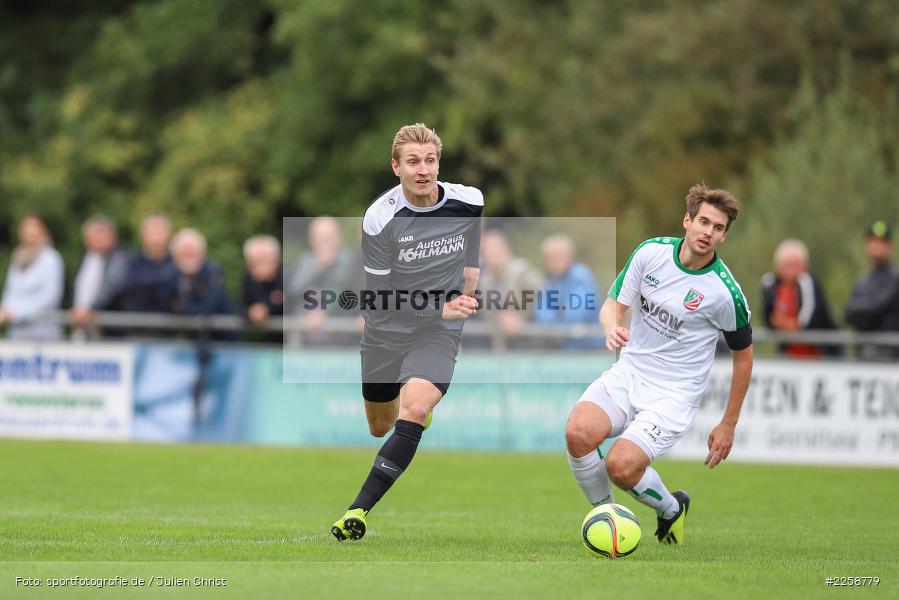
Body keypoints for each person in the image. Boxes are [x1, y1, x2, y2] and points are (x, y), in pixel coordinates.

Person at [565, 184, 753, 546]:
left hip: (673, 395)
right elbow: (613, 305)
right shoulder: (651, 253)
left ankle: (671, 508)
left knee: (621, 466)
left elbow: (743, 357)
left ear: (724, 236)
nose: (708, 232)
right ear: (687, 220)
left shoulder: (725, 293)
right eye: (703, 221)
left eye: (718, 227)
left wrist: (728, 423)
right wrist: (611, 328)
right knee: (577, 433)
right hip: (629, 373)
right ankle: (609, 518)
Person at [330, 123, 482, 541]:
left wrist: (467, 282)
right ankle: (413, 412)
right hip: (386, 330)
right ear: (396, 167)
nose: (423, 169)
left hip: (437, 332)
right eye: (413, 162)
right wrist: (438, 306)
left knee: (414, 409)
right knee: (380, 427)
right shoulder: (380, 218)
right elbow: (379, 298)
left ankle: (357, 511)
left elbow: (473, 237)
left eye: (430, 160)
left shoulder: (468, 200)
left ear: (439, 164)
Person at [760, 239, 840, 357]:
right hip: (791, 355)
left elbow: (805, 323)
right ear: (778, 266)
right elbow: (770, 321)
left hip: (823, 353)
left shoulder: (808, 283)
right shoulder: (771, 286)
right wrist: (789, 325)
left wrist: (784, 323)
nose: (791, 270)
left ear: (805, 266)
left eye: (795, 264)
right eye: (787, 265)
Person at [288, 216, 355, 345]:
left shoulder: (349, 261)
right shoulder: (305, 261)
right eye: (320, 238)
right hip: (303, 336)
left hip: (340, 336)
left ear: (339, 238)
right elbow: (293, 291)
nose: (325, 243)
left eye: (329, 237)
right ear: (311, 240)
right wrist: (318, 267)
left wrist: (322, 312)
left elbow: (343, 293)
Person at [0, 215, 64, 339]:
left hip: (42, 330)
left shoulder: (51, 259)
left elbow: (49, 297)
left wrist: (16, 313)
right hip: (17, 331)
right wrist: (5, 309)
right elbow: (11, 290)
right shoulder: (18, 256)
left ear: (43, 232)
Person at [534, 233, 602, 348]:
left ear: (571, 257)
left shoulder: (581, 277)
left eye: (559, 257)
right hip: (563, 349)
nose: (555, 262)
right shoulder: (550, 281)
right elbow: (542, 316)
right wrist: (556, 328)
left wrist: (556, 327)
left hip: (589, 349)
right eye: (551, 258)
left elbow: (577, 316)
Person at [844, 220, 899, 361]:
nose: (877, 246)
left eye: (882, 242)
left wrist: (863, 311)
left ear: (890, 247)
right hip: (864, 355)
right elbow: (847, 314)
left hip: (891, 356)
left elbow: (875, 308)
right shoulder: (863, 279)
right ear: (867, 246)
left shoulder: (895, 278)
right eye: (873, 242)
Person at [69, 215, 131, 338]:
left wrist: (90, 309)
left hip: (109, 329)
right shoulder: (85, 257)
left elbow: (111, 286)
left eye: (100, 235)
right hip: (82, 325)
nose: (96, 240)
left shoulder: (119, 258)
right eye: (92, 237)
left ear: (111, 236)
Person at [478, 228, 542, 340]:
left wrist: (520, 317)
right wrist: (501, 319)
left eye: (495, 248)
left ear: (506, 249)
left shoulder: (522, 271)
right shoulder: (484, 280)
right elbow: (486, 314)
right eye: (486, 250)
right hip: (500, 342)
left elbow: (543, 296)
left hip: (528, 338)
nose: (490, 253)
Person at [241, 234, 284, 343]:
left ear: (276, 260)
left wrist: (266, 309)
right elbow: (239, 304)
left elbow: (287, 299)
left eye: (263, 261)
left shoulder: (287, 276)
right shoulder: (249, 279)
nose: (259, 267)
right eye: (254, 263)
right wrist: (250, 312)